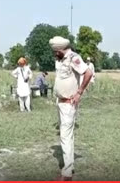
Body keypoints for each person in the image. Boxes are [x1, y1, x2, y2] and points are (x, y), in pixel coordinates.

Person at [49, 36, 93, 181]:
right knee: (67, 135)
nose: (54, 54)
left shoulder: (74, 58)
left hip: (69, 103)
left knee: (65, 136)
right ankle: (70, 166)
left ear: (61, 49)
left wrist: (79, 92)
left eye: (56, 51)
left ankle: (67, 174)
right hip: (61, 102)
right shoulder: (61, 60)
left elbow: (88, 73)